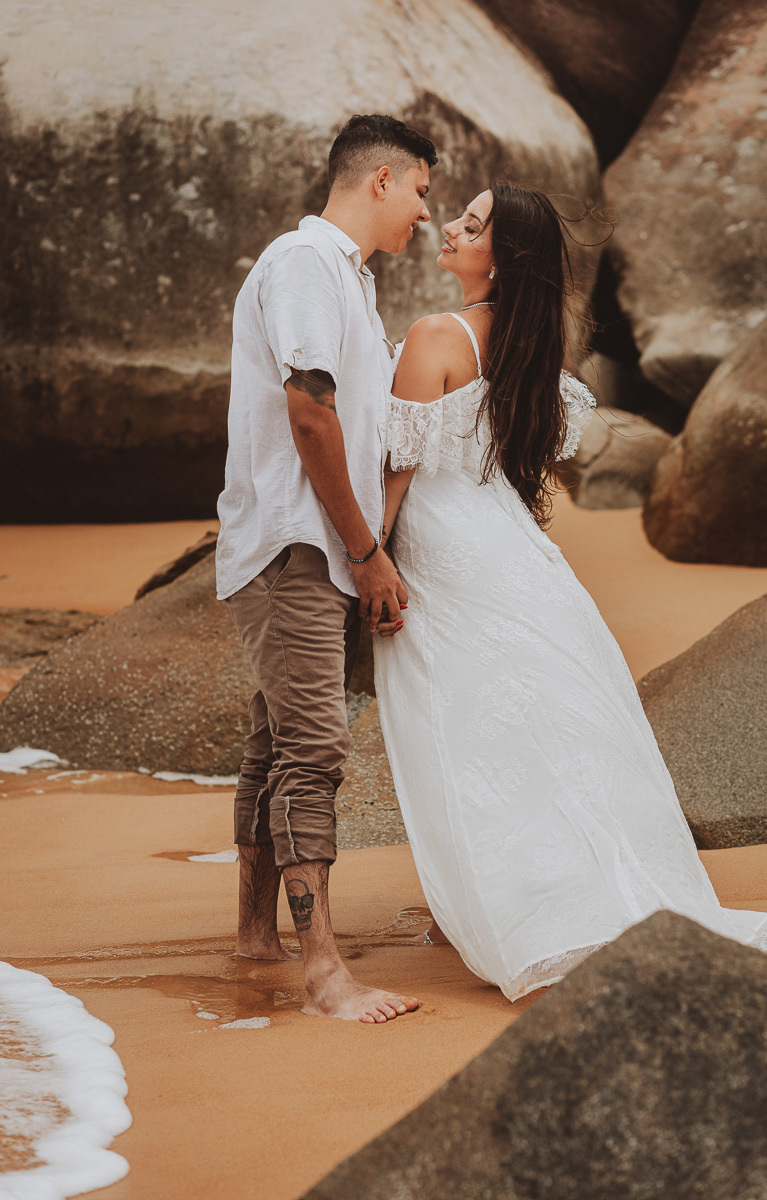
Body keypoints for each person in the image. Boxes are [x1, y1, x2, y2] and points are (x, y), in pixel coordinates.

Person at [373, 182, 767, 999]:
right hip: (515, 554)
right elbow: (516, 469)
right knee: (539, 726)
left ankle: (509, 908)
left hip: (445, 552)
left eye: (472, 223)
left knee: (464, 730)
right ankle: (543, 895)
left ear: (506, 254)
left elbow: (396, 472)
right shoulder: (532, 345)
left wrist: (367, 559)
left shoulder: (436, 335)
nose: (453, 228)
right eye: (458, 214)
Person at [216, 114, 437, 1023]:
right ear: (380, 179)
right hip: (298, 546)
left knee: (274, 744)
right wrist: (364, 550)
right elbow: (311, 413)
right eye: (421, 191)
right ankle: (324, 976)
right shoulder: (305, 264)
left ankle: (254, 937)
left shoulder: (344, 278)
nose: (426, 213)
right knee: (314, 749)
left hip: (299, 544)